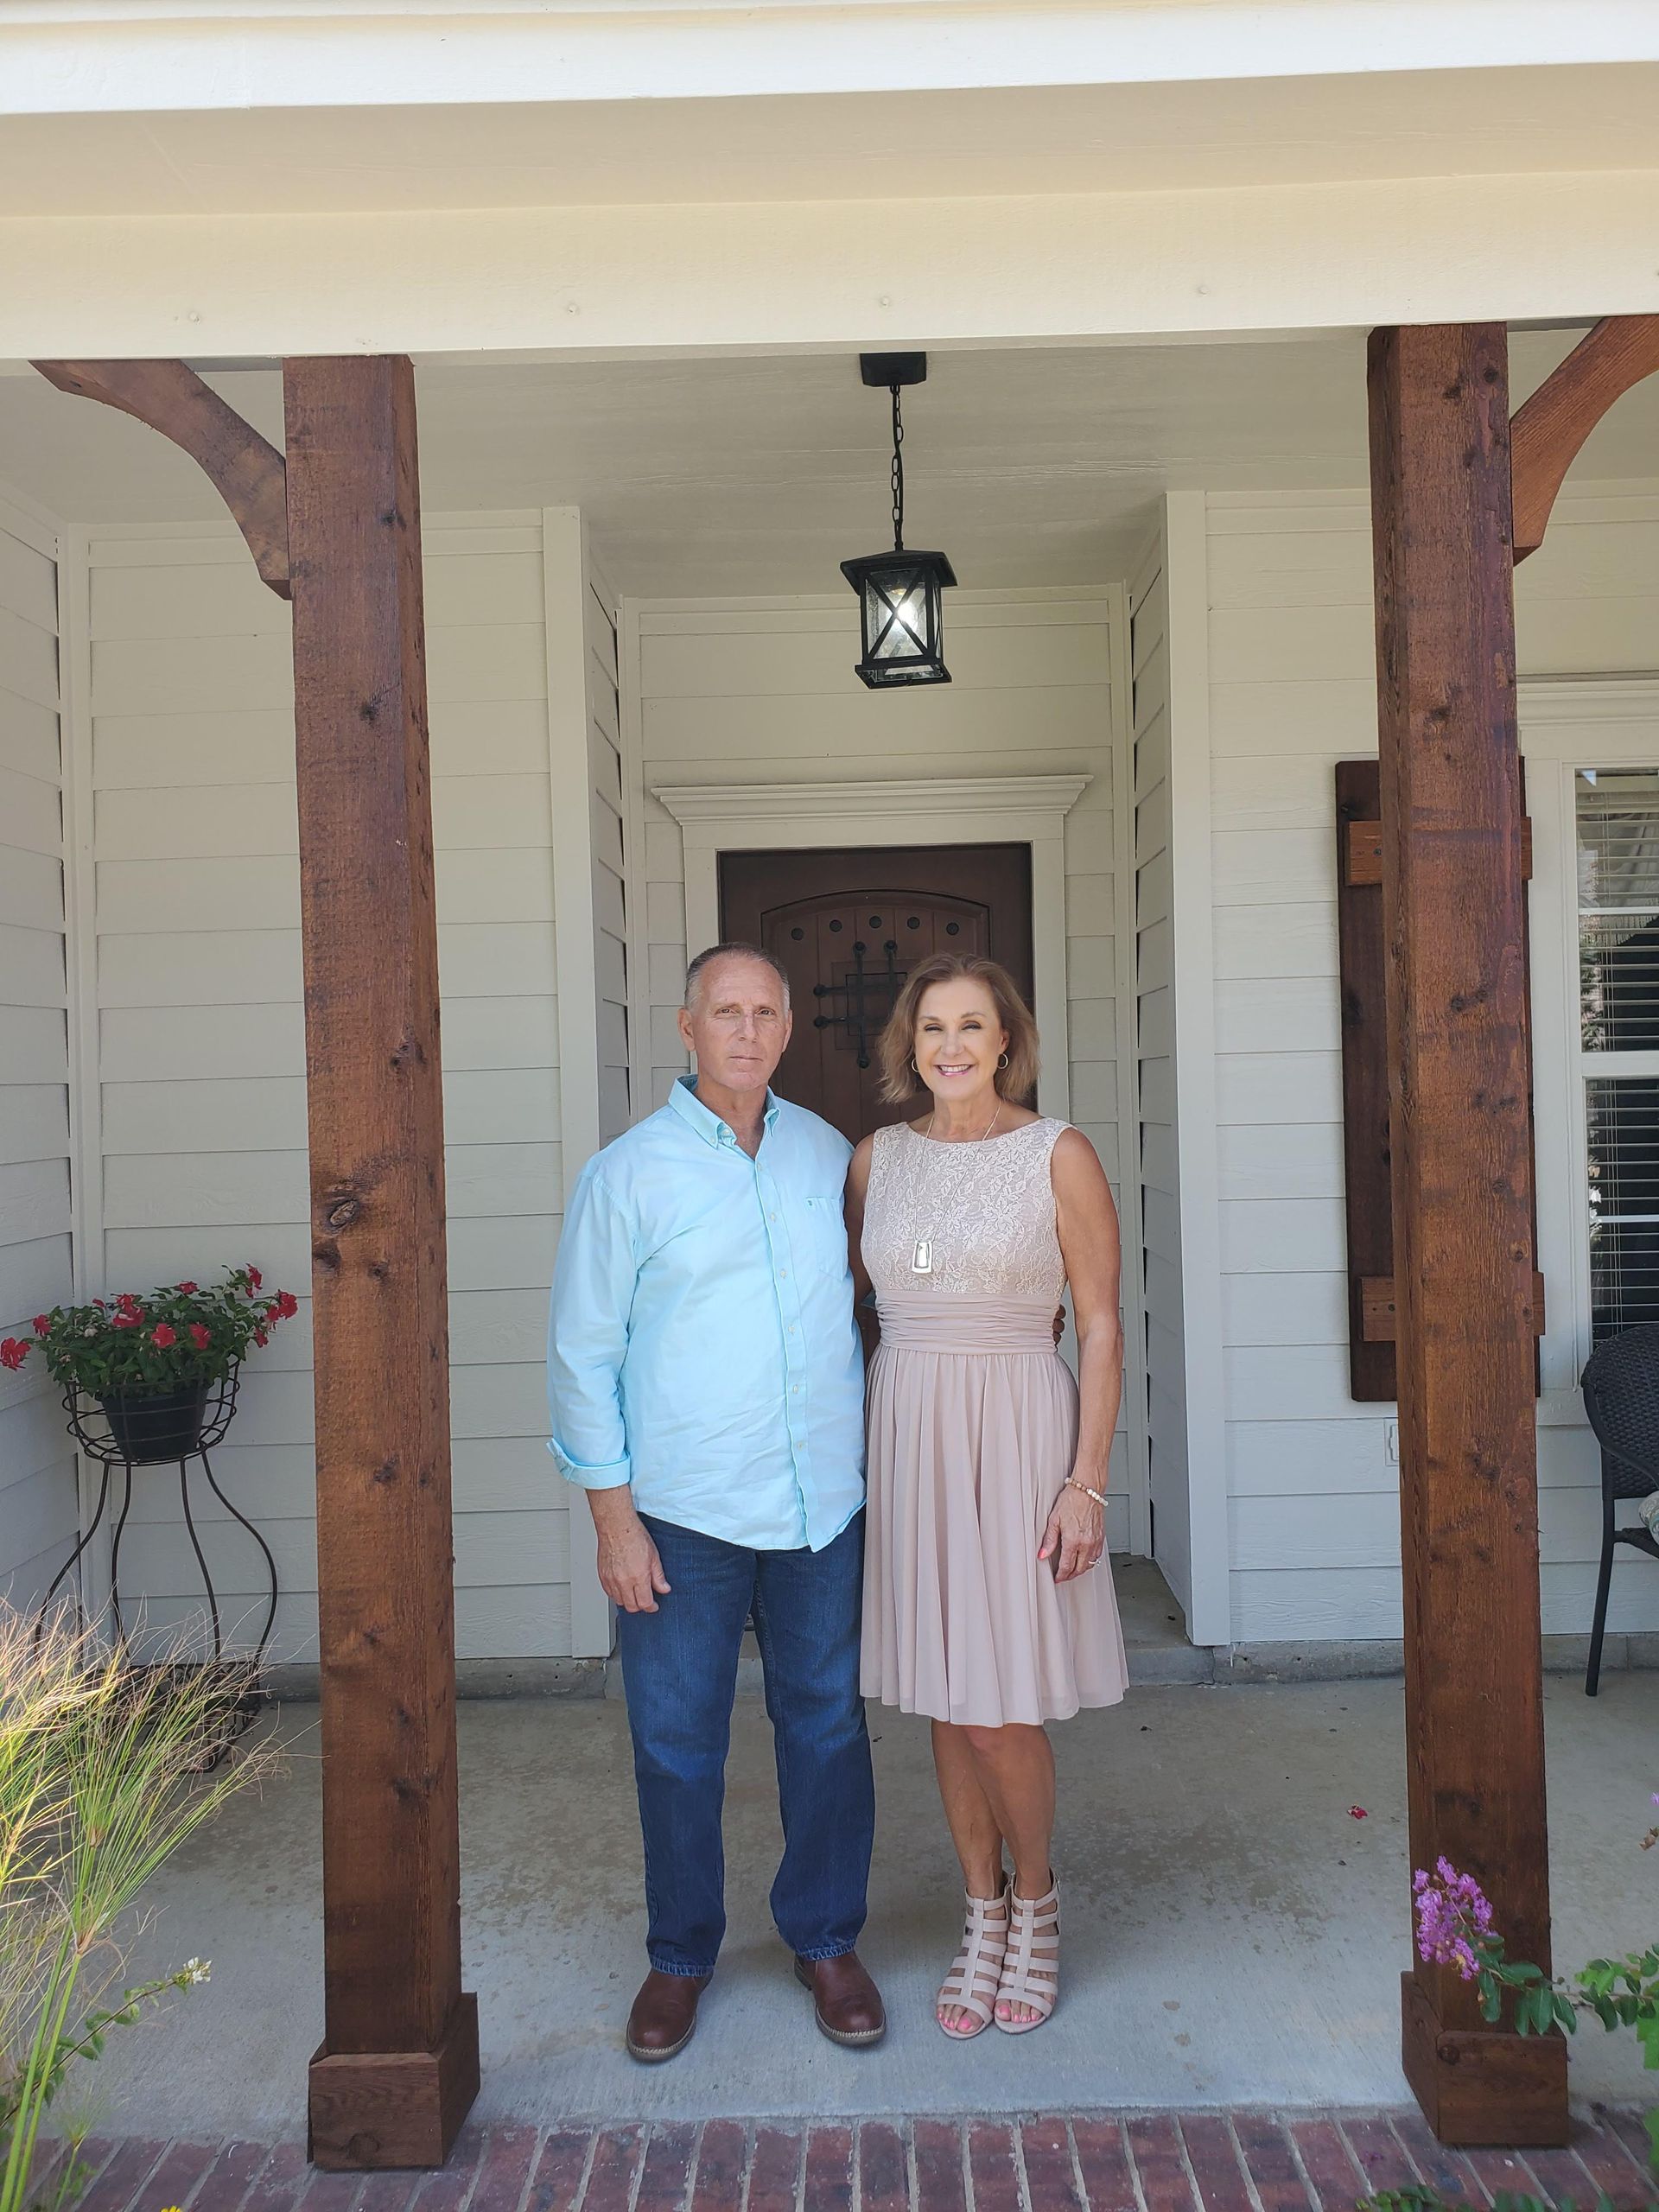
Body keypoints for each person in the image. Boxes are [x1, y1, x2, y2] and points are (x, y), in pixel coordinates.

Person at [547, 943, 885, 2064]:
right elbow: (581, 1357)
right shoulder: (628, 1175)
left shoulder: (826, 1156)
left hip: (819, 1510)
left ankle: (826, 1937)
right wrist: (613, 1518)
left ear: (788, 1030)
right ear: (687, 1031)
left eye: (765, 1012)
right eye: (724, 1011)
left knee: (828, 1729)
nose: (746, 1029)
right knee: (678, 1745)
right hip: (681, 1516)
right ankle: (682, 1955)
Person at [849, 951, 1128, 2039]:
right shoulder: (876, 1159)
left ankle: (1039, 1899)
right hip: (913, 1429)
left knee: (1001, 1703)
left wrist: (1086, 1483)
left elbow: (1100, 1323)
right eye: (932, 1029)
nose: (952, 1047)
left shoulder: (1058, 1154)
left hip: (1018, 1430)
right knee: (944, 1693)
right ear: (908, 1045)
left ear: (1006, 1038)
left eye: (972, 1026)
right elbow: (852, 1308)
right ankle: (982, 1907)